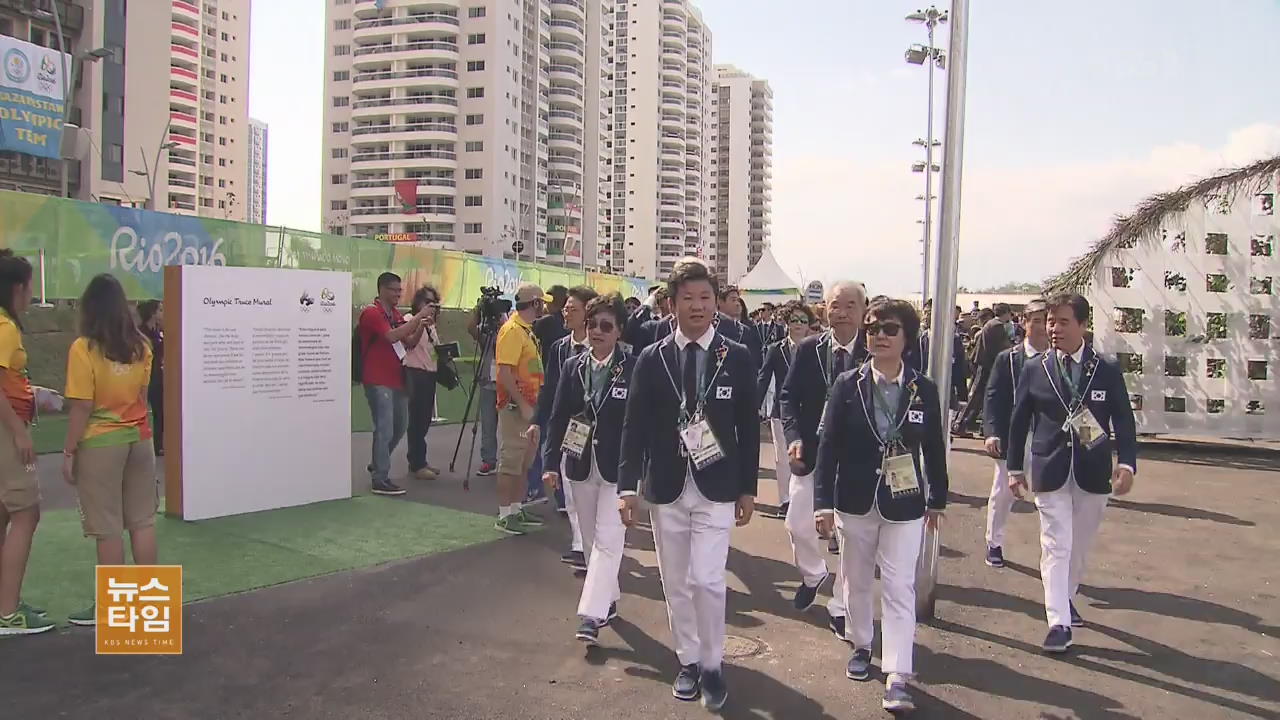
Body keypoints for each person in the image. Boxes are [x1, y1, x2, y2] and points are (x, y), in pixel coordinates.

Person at [619, 258, 758, 711]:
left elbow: (748, 428)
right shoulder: (651, 357)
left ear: (716, 303)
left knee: (708, 580)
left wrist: (748, 488)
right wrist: (626, 488)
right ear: (671, 303)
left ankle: (714, 666)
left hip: (718, 485)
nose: (697, 307)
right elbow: (633, 426)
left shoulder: (735, 356)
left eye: (705, 298)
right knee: (676, 580)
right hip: (666, 486)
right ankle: (688, 660)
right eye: (687, 298)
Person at [814, 298, 948, 714]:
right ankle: (861, 643)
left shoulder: (922, 388)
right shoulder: (846, 385)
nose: (879, 336)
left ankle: (897, 673)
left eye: (889, 329)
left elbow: (934, 449)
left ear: (906, 337)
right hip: (853, 499)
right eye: (873, 329)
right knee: (854, 581)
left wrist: (938, 498)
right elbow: (828, 448)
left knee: (898, 584)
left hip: (905, 502)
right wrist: (821, 503)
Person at [1007, 293, 1137, 654]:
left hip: (1094, 471)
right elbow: (1019, 422)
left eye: (1063, 321)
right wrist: (1014, 469)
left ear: (1082, 325)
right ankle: (1058, 621)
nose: (1054, 328)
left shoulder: (1106, 368)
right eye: (1050, 321)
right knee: (1055, 543)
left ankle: (1066, 597)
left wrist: (1126, 463)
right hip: (1049, 468)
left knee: (1078, 547)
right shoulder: (1036, 367)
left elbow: (1123, 420)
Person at [61, 274, 159, 626]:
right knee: (142, 522)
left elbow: (82, 406)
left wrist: (69, 452)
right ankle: (147, 609)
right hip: (140, 440)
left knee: (108, 528)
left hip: (101, 443)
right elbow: (143, 399)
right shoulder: (142, 348)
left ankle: (112, 610)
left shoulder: (83, 349)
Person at [543, 293, 633, 644]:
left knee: (609, 541)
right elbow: (558, 415)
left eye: (606, 326)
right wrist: (550, 463)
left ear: (619, 331)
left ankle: (591, 616)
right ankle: (608, 599)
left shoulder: (633, 366)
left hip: (619, 468)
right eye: (592, 324)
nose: (597, 331)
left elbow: (640, 423)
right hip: (579, 463)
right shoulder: (573, 366)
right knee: (595, 541)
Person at [778, 281, 865, 634]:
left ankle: (841, 606)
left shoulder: (876, 350)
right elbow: (788, 397)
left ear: (863, 309)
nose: (840, 313)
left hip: (855, 457)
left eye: (849, 305)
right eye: (834, 305)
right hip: (811, 453)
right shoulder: (809, 349)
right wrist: (794, 437)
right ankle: (814, 574)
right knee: (798, 525)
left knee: (851, 537)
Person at [0, 251, 52, 635]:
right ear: (18, 287)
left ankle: (5, 603)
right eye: (30, 285)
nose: (32, 293)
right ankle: (7, 612)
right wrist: (18, 431)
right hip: (6, 431)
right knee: (26, 512)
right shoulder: (5, 327)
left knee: (6, 511)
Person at [981, 299, 1050, 569]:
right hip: (1014, 438)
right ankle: (994, 542)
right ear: (1024, 322)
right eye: (1037, 320)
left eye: (1048, 320)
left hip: (1047, 438)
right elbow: (993, 396)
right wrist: (992, 432)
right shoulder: (1008, 359)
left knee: (1051, 497)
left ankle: (1053, 555)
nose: (1043, 327)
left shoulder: (1059, 360)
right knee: (1003, 492)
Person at [535, 285, 598, 566]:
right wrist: (539, 421)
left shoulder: (602, 347)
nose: (567, 313)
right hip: (570, 431)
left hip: (598, 434)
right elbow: (549, 390)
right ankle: (579, 544)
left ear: (588, 313)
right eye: (566, 308)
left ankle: (595, 548)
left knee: (595, 494)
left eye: (573, 309)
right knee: (571, 492)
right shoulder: (560, 348)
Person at [357, 272, 426, 496]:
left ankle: (379, 461)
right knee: (385, 427)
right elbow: (391, 337)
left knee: (400, 425)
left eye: (399, 290)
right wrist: (416, 318)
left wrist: (422, 324)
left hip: (396, 378)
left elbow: (409, 343)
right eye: (394, 290)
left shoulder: (394, 313)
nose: (398, 293)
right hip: (377, 379)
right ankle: (381, 477)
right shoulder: (372, 313)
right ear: (382, 290)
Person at [493, 283, 550, 535]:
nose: (545, 306)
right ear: (535, 303)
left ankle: (516, 508)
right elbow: (504, 372)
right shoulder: (513, 331)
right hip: (516, 408)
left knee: (523, 462)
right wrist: (523, 404)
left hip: (529, 406)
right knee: (511, 462)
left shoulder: (526, 331)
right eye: (542, 302)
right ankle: (505, 514)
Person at [756, 300, 813, 519]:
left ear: (809, 324)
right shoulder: (775, 349)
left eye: (803, 320)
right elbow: (763, 378)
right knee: (783, 457)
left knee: (807, 456)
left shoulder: (816, 349)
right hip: (781, 411)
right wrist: (754, 406)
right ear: (786, 322)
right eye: (793, 320)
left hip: (809, 412)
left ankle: (805, 501)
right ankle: (785, 500)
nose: (798, 324)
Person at [954, 303, 1014, 436]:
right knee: (976, 395)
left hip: (983, 364)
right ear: (1006, 313)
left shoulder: (991, 325)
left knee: (981, 396)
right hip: (987, 366)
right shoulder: (997, 326)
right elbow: (1003, 347)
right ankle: (960, 423)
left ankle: (968, 424)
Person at [403, 285, 442, 481]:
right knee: (417, 419)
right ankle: (416, 463)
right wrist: (421, 324)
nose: (431, 307)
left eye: (434, 304)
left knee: (425, 418)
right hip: (415, 372)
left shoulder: (432, 325)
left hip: (429, 373)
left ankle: (421, 460)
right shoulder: (410, 320)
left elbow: (433, 350)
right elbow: (409, 343)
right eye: (427, 303)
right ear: (418, 303)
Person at [466, 300, 507, 477]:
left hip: (506, 384)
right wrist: (478, 309)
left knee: (508, 425)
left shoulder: (510, 330)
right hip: (487, 382)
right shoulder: (486, 331)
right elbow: (470, 328)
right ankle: (488, 461)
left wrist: (503, 320)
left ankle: (508, 461)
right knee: (488, 424)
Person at [137, 300, 165, 457]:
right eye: (160, 310)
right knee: (146, 410)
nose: (163, 313)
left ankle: (158, 444)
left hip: (158, 376)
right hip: (146, 377)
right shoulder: (141, 333)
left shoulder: (159, 331)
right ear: (153, 313)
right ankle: (144, 444)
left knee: (160, 411)